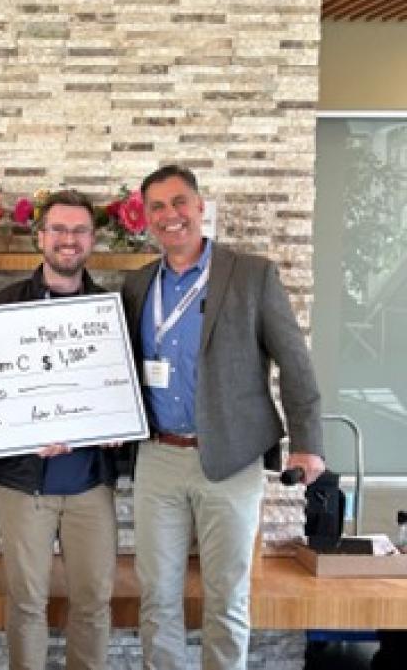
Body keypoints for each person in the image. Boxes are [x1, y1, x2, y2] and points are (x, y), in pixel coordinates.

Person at [121, 164, 326, 670]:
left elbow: (294, 362)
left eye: (179, 202)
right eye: (158, 208)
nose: (170, 215)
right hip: (158, 458)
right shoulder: (137, 283)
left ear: (199, 206)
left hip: (231, 459)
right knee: (157, 598)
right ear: (147, 219)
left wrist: (308, 441)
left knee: (227, 599)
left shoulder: (251, 274)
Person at [0, 190, 119, 670]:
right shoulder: (1, 309)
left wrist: (121, 423)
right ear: (40, 237)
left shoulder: (112, 312)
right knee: (24, 605)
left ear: (92, 241)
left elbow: (127, 393)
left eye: (79, 230)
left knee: (94, 603)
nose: (68, 240)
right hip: (26, 486)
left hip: (90, 484)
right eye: (58, 229)